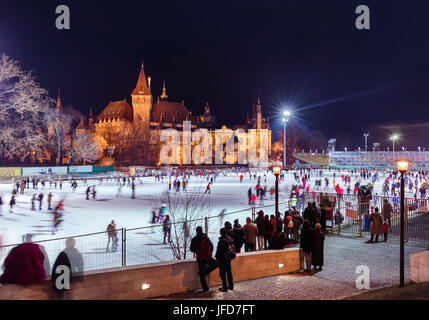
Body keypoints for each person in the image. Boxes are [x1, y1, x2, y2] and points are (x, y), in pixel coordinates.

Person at [190, 226, 218, 292]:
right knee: (216, 264)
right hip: (208, 257)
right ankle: (205, 272)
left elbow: (191, 249)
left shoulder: (194, 239)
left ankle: (205, 288)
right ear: (202, 230)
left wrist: (197, 250)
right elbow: (211, 246)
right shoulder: (206, 237)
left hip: (200, 259)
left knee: (201, 274)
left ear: (196, 231)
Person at [215, 228, 234, 292]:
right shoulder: (229, 239)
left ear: (220, 233)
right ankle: (231, 285)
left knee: (223, 273)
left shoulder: (221, 241)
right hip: (228, 258)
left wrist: (216, 258)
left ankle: (224, 287)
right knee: (229, 272)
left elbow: (218, 252)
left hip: (222, 259)